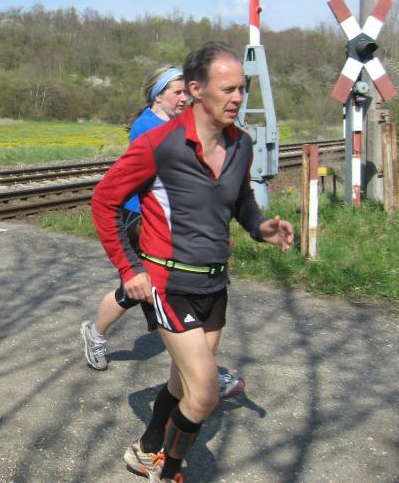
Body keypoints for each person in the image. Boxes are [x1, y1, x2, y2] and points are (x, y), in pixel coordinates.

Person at [91, 42, 294, 482]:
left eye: (241, 89)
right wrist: (130, 269)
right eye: (228, 89)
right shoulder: (159, 144)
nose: (237, 98)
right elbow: (104, 201)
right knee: (204, 394)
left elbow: (241, 201)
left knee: (182, 383)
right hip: (168, 283)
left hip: (214, 284)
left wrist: (261, 227)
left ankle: (146, 450)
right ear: (197, 89)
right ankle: (169, 472)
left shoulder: (241, 144)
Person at [81, 65, 245, 399]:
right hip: (140, 219)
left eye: (187, 92)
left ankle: (96, 334)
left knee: (146, 294)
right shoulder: (147, 127)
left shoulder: (176, 123)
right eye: (177, 92)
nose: (185, 98)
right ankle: (202, 376)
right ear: (159, 95)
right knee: (155, 295)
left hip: (170, 227)